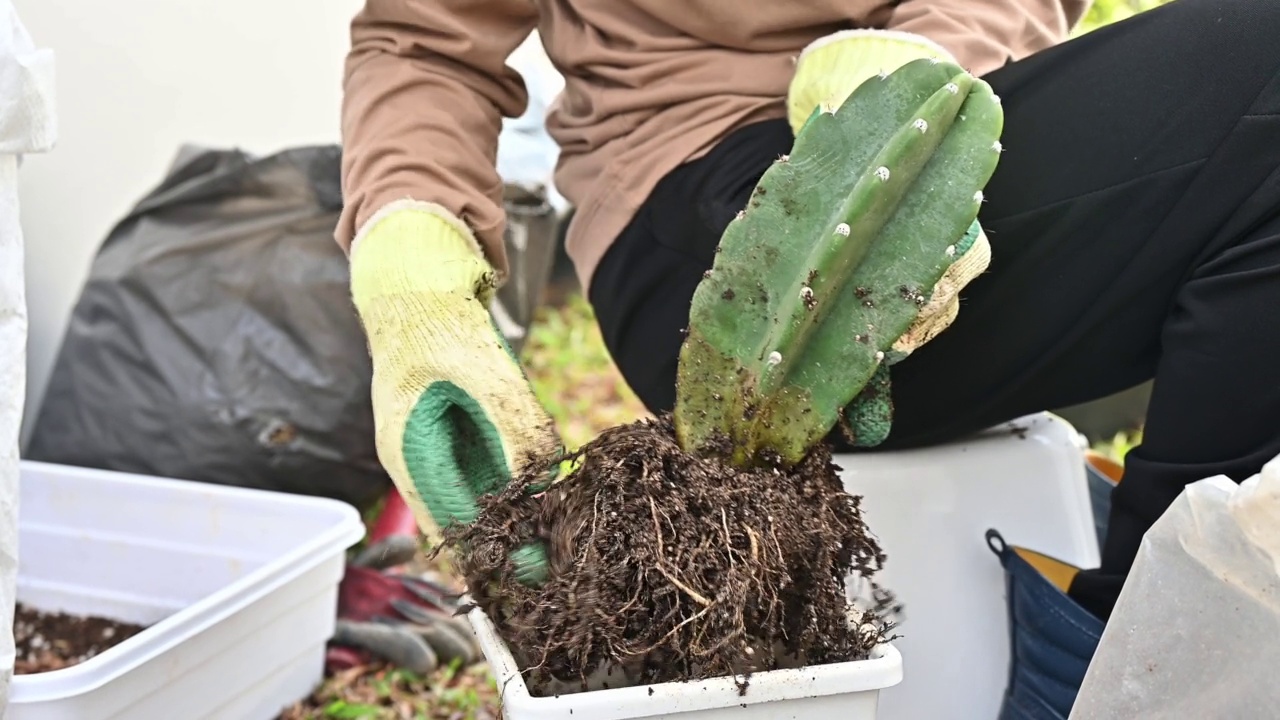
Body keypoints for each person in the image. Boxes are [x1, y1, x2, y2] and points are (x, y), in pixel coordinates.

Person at [336, 0, 1280, 716]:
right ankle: (1144, 666)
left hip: (941, 127)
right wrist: (412, 280)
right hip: (697, 193)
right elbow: (424, 39)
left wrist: (908, 67)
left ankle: (1165, 655)